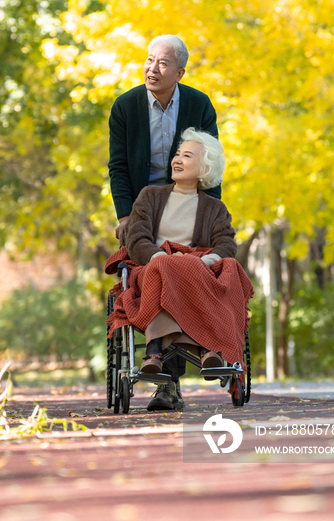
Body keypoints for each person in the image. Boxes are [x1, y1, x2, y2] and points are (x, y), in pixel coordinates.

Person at [108, 34, 222, 405]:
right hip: (145, 207)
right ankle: (167, 382)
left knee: (187, 269)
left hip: (188, 200)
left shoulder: (198, 105)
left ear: (180, 71)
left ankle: (167, 380)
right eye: (148, 60)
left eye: (162, 63)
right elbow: (119, 167)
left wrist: (209, 217)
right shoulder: (125, 107)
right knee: (155, 269)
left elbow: (209, 165)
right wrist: (126, 215)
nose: (151, 68)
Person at [105, 128, 254, 411]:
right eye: (177, 154)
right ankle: (178, 351)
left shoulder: (215, 209)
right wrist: (163, 257)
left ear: (204, 167)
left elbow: (226, 245)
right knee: (166, 265)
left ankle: (199, 350)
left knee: (229, 267)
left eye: (187, 155)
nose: (177, 159)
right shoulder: (150, 197)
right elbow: (136, 239)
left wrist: (204, 262)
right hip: (153, 269)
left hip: (197, 272)